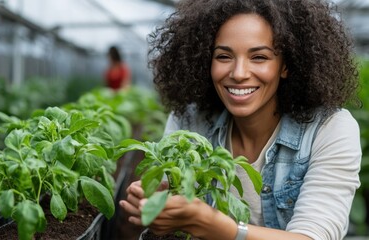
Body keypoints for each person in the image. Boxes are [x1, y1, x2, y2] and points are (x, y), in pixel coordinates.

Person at [119, 0, 362, 239]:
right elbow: (171, 205)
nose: (238, 73)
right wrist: (157, 205)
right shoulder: (190, 123)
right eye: (224, 56)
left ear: (285, 65)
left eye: (259, 57)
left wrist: (213, 225)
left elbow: (313, 236)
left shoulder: (330, 129)